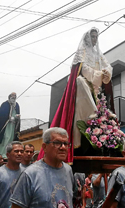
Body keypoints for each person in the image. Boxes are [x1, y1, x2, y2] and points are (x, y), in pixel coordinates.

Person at [38, 27, 113, 164]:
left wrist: (107, 72)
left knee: (102, 106)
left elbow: (108, 66)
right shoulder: (82, 52)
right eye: (93, 37)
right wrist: (99, 75)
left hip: (96, 88)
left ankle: (98, 123)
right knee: (80, 82)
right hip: (85, 86)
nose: (95, 39)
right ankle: (90, 122)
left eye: (96, 37)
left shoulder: (99, 54)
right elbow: (83, 70)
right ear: (88, 38)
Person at [8, 127, 85, 208]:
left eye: (66, 143)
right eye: (57, 143)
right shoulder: (30, 174)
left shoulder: (68, 170)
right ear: (44, 147)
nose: (63, 147)